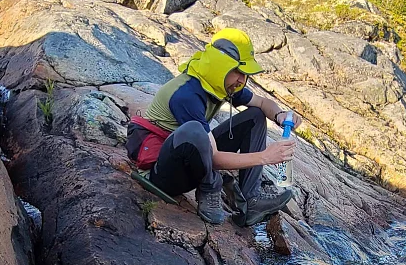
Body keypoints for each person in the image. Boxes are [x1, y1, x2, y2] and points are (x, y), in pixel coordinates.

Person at [126, 28, 303, 226]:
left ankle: (250, 202)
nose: (242, 80)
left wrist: (280, 115)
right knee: (194, 130)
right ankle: (210, 187)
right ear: (221, 66)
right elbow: (214, 158)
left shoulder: (219, 84)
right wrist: (265, 157)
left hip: (192, 160)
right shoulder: (187, 95)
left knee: (255, 116)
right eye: (238, 72)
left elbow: (262, 103)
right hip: (164, 173)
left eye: (245, 75)